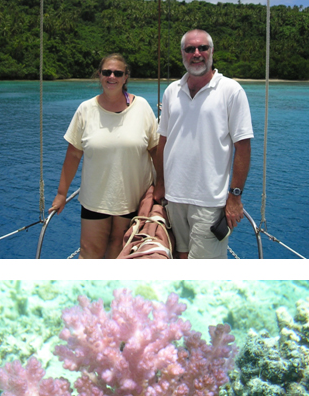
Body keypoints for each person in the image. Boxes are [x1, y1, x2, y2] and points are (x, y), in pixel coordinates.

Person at [153, 30, 254, 259]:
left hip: (209, 200)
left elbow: (243, 147)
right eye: (190, 49)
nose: (196, 54)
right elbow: (163, 140)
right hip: (174, 197)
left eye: (202, 48)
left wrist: (235, 197)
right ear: (182, 54)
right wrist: (160, 184)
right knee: (179, 257)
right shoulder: (172, 91)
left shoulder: (231, 90)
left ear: (211, 52)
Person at [51, 54, 158, 258]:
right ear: (99, 75)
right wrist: (61, 194)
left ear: (126, 77)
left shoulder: (142, 107)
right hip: (96, 200)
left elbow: (155, 150)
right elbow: (73, 155)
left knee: (120, 255)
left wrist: (161, 187)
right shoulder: (85, 110)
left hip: (133, 199)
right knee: (90, 254)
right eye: (106, 72)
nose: (112, 76)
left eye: (117, 73)